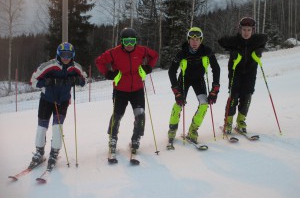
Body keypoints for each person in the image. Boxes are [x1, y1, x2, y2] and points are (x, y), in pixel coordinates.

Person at [95, 27, 158, 161]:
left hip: (137, 90)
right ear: (122, 41)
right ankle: (112, 139)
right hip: (120, 90)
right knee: (117, 116)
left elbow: (154, 55)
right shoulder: (113, 53)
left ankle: (136, 139)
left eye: (132, 41)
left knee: (140, 115)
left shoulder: (141, 50)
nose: (129, 45)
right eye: (126, 41)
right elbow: (99, 61)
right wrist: (107, 73)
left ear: (135, 41)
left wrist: (149, 67)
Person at [29, 42, 86, 170]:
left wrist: (78, 80)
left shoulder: (75, 67)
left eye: (69, 55)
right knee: (41, 127)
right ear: (58, 54)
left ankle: (54, 152)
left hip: (63, 101)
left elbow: (84, 79)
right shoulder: (49, 66)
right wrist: (46, 82)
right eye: (63, 55)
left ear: (73, 55)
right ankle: (39, 152)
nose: (66, 58)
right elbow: (33, 81)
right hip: (47, 99)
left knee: (57, 127)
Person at [167, 27, 220, 148]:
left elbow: (216, 68)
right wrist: (176, 92)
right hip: (184, 80)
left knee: (204, 104)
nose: (194, 42)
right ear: (188, 40)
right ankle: (172, 130)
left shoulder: (207, 51)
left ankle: (193, 130)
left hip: (199, 81)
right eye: (192, 39)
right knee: (178, 104)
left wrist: (215, 90)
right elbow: (171, 71)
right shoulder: (182, 52)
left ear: (201, 40)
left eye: (197, 39)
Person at [218, 17, 268, 134]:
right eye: (244, 29)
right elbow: (221, 41)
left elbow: (265, 40)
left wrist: (260, 50)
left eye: (249, 30)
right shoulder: (234, 40)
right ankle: (228, 122)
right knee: (234, 95)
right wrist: (231, 51)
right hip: (236, 71)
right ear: (240, 29)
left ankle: (241, 121)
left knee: (247, 95)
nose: (246, 32)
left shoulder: (258, 39)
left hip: (250, 72)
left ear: (253, 30)